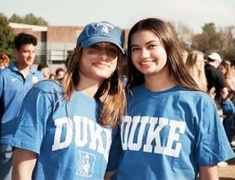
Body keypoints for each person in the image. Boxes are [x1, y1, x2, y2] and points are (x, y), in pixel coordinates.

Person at [107, 18, 234, 180]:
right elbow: (110, 167)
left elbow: (208, 172)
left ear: (168, 47)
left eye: (151, 46)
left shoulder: (199, 103)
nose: (143, 55)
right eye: (135, 49)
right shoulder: (123, 98)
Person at [11, 21, 126, 180]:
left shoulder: (111, 112)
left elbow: (108, 174)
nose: (104, 56)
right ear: (79, 54)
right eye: (95, 47)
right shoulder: (47, 93)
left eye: (112, 50)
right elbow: (22, 170)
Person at [0, 33, 43, 180]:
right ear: (16, 52)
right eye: (26, 51)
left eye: (33, 51)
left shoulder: (40, 78)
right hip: (6, 139)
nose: (30, 55)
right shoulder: (3, 76)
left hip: (31, 141)